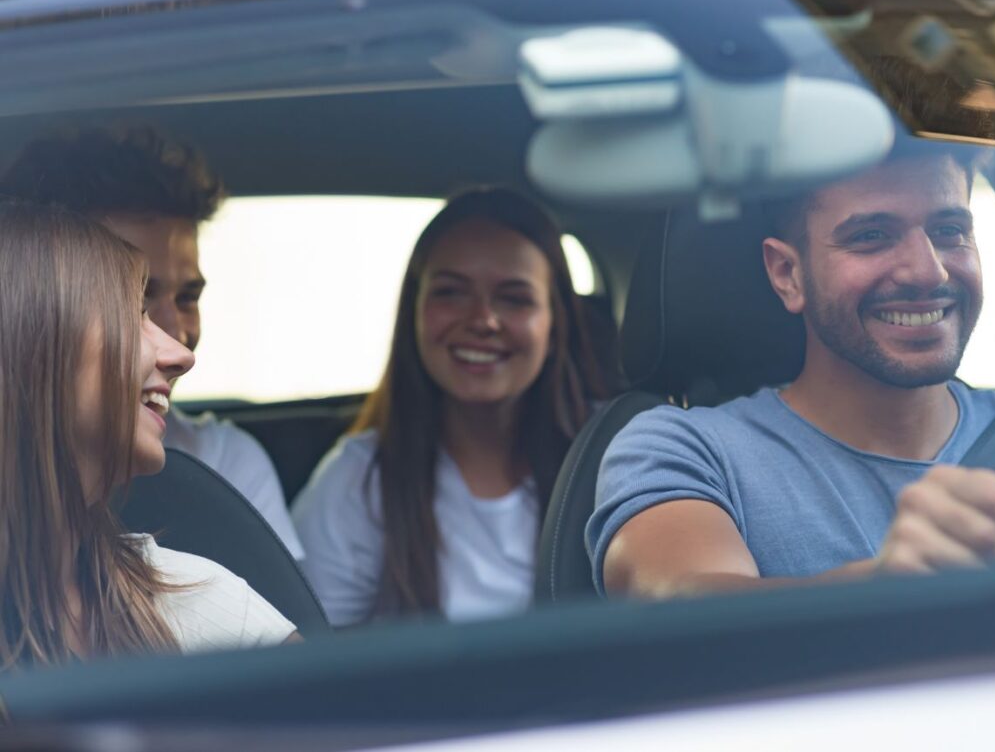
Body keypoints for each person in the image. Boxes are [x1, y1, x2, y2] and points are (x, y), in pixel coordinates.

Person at [587, 148, 995, 599]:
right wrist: (890, 586)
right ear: (787, 274)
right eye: (871, 235)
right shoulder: (684, 448)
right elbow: (682, 608)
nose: (927, 271)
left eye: (950, 231)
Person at [0, 201, 297, 668]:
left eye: (186, 297)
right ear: (34, 346)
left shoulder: (193, 599)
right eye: (133, 312)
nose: (181, 353)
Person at [292, 188, 606, 624]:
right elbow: (315, 661)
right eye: (451, 293)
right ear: (414, 313)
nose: (482, 320)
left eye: (514, 298)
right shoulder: (359, 479)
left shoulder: (619, 459)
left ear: (555, 325)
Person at [1, 126, 303, 559]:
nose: (178, 339)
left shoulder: (226, 462)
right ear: (40, 299)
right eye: (136, 298)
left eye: (188, 297)